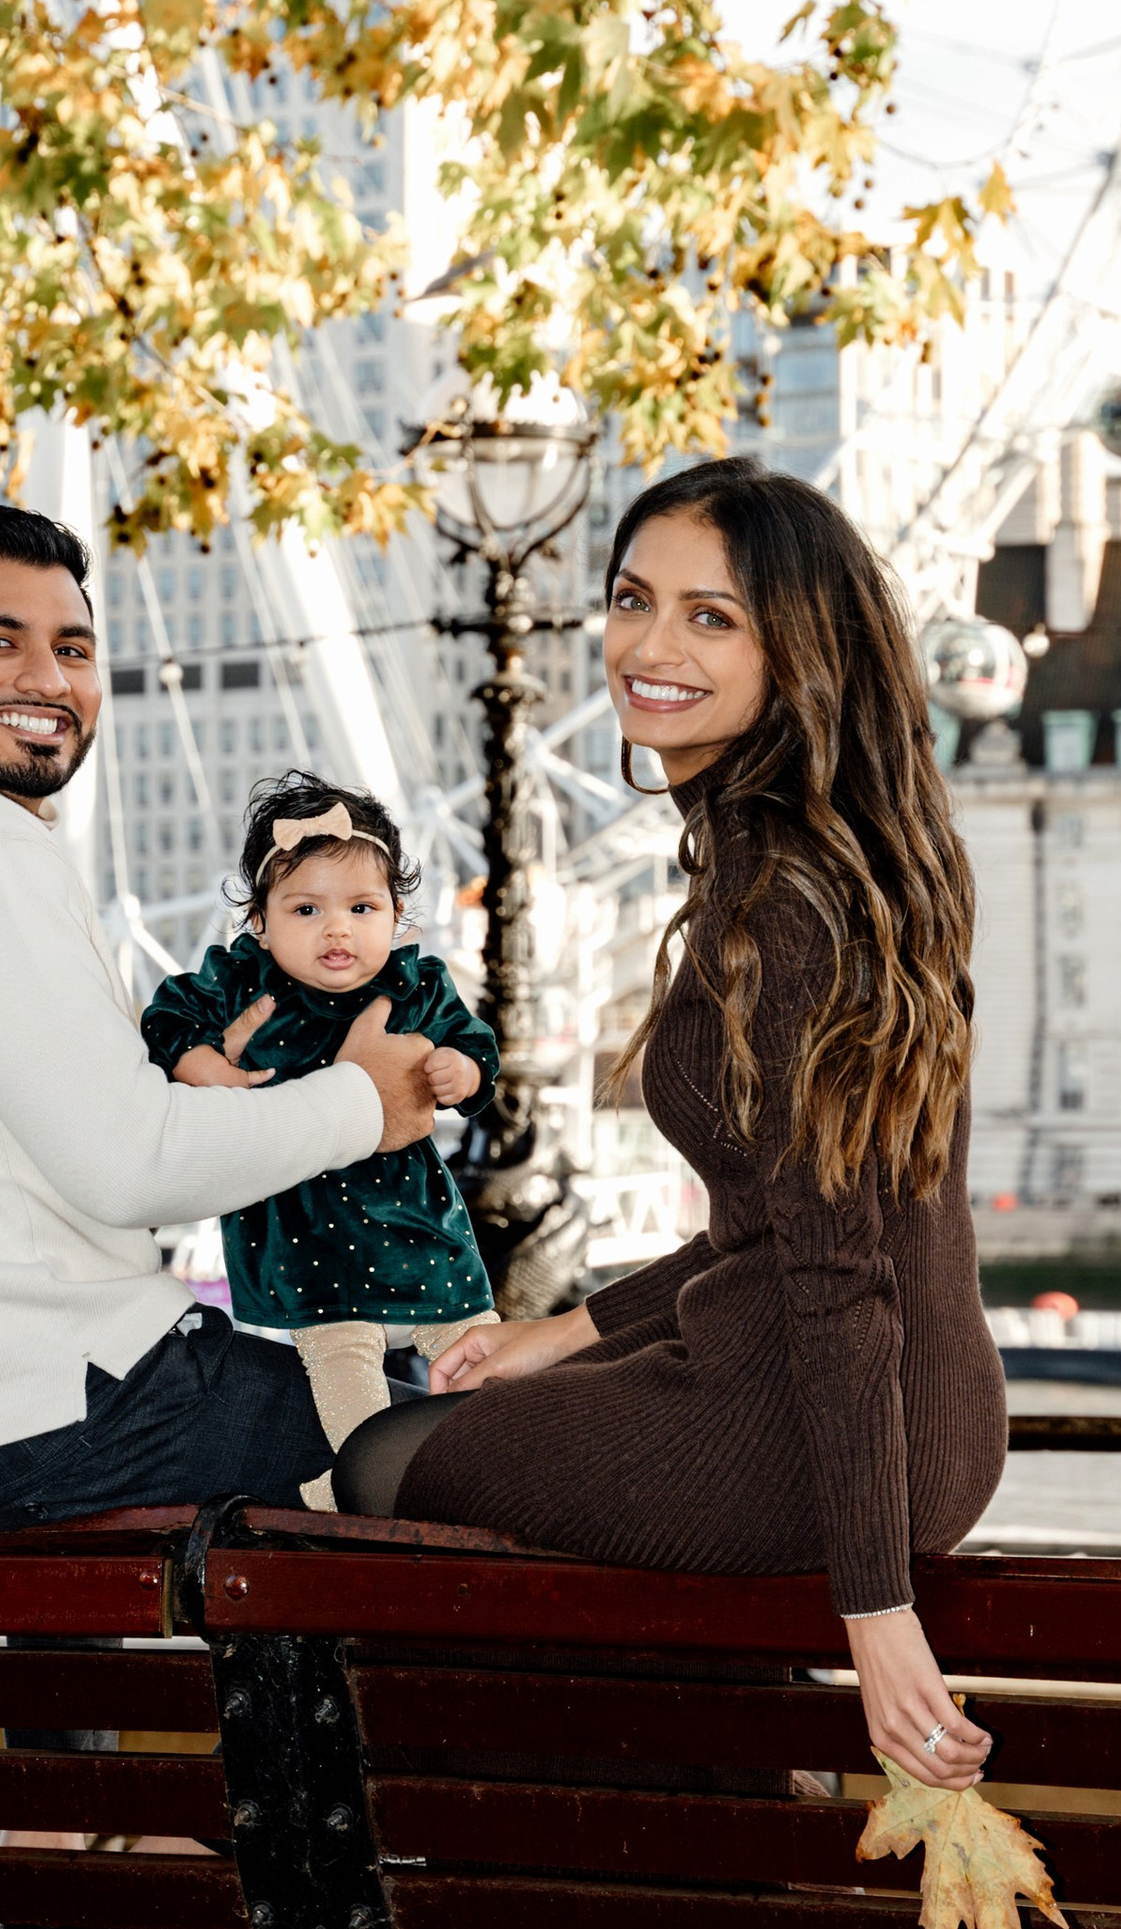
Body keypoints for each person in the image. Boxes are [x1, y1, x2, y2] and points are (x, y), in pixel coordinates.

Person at [333, 458, 1008, 1795]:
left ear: (798, 651)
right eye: (635, 599)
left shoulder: (782, 909)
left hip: (813, 1434)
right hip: (927, 1420)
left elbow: (836, 1276)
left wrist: (877, 1613)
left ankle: (443, 1867)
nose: (650, 646)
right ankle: (696, 1818)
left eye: (714, 617)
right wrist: (562, 1333)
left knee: (382, 1457)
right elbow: (772, 1231)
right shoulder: (841, 860)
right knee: (492, 1445)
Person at [0, 504, 443, 1525]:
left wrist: (186, 1080)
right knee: (444, 1453)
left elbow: (43, 1138)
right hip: (31, 1403)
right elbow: (128, 1165)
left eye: (71, 647)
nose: (46, 677)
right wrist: (362, 1101)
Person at [140, 773, 498, 1455]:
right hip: (308, 1242)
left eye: (362, 908)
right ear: (259, 924)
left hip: (422, 1225)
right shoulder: (243, 981)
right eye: (306, 910)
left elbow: (475, 1043)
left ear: (397, 917)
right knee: (349, 1396)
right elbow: (168, 1014)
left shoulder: (416, 985)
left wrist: (464, 1071)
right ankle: (350, 1489)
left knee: (481, 1363)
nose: (338, 927)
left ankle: (493, 1464)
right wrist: (199, 1063)